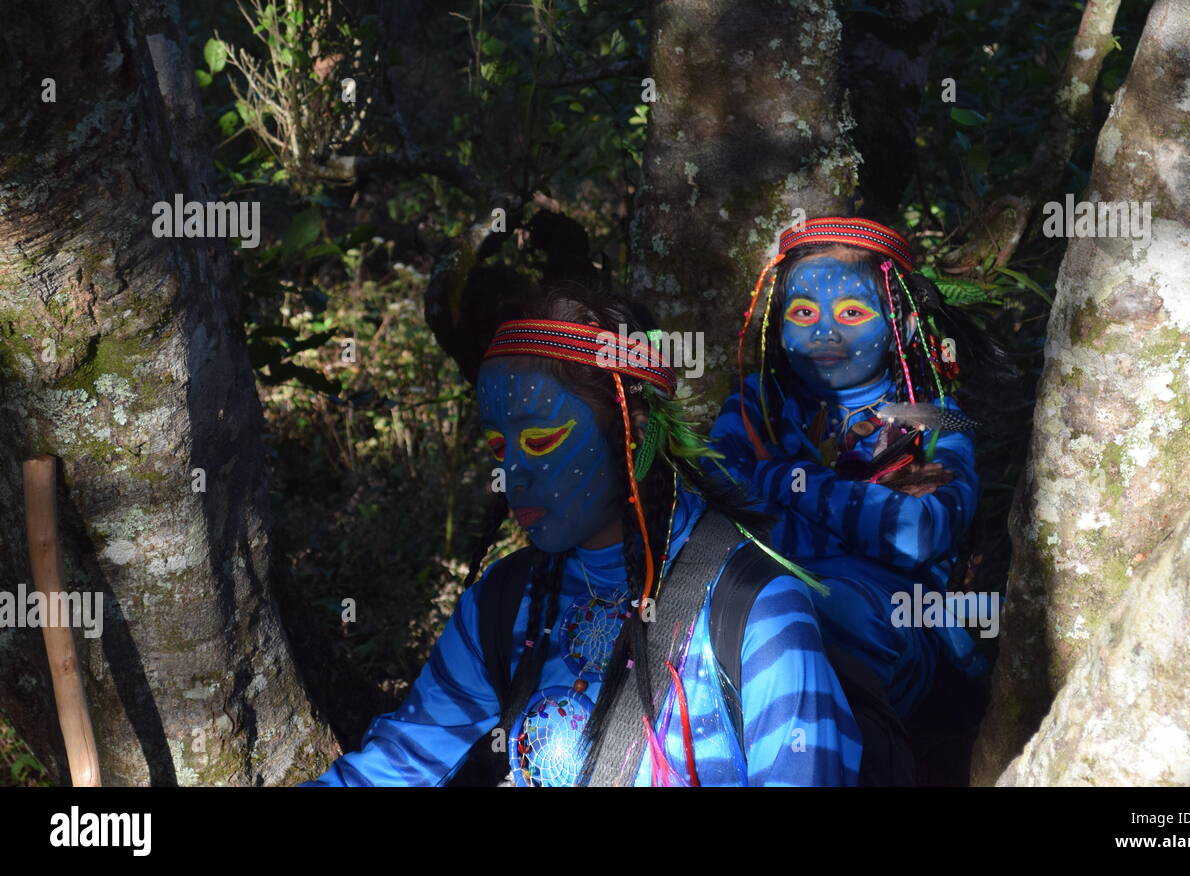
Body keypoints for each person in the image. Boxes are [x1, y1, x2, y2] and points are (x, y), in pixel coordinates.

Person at [307, 282, 861, 786]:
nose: (510, 472)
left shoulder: (755, 608)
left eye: (542, 440)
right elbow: (398, 764)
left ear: (634, 431)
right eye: (500, 446)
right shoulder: (502, 603)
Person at [709, 216, 993, 720]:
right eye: (802, 310)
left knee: (831, 609)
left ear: (899, 325)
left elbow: (918, 532)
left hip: (899, 621)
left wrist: (777, 478)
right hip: (758, 594)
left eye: (853, 311)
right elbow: (713, 508)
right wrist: (862, 524)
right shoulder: (756, 405)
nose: (823, 330)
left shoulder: (938, 417)